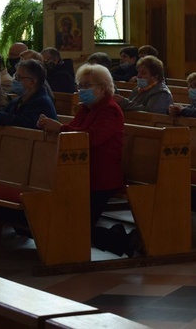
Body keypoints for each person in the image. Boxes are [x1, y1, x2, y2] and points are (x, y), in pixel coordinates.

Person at [36, 64, 136, 256]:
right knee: (72, 221)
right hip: (82, 172)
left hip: (101, 176)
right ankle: (122, 240)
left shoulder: (110, 110)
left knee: (80, 225)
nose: (82, 89)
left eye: (87, 85)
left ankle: (124, 241)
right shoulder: (86, 109)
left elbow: (92, 137)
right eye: (80, 85)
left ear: (102, 87)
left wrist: (59, 128)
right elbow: (74, 130)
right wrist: (52, 127)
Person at [0, 59, 56, 128]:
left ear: (33, 82)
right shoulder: (17, 101)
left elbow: (27, 123)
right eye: (15, 76)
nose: (15, 80)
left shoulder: (42, 102)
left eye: (18, 77)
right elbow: (5, 115)